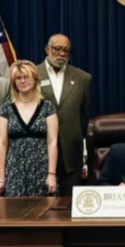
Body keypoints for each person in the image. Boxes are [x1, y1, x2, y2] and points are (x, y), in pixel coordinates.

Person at [0, 60, 59, 197]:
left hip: (41, 168)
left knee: (44, 213)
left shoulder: (47, 107)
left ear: (35, 80)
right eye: (18, 78)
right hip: (14, 170)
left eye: (26, 77)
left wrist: (51, 174)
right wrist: (1, 178)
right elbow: (1, 144)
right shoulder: (6, 108)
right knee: (14, 213)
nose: (22, 81)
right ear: (13, 82)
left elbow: (52, 142)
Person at [38, 34, 92, 197]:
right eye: (57, 49)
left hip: (71, 152)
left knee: (70, 206)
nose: (62, 53)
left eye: (66, 50)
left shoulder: (83, 78)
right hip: (40, 150)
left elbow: (84, 116)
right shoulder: (31, 74)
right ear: (47, 49)